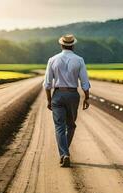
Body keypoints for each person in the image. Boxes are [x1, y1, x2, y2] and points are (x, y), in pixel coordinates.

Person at [43, 34, 91, 167]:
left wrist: (49, 99)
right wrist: (86, 97)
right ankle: (65, 153)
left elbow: (47, 83)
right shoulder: (79, 60)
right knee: (71, 125)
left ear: (61, 44)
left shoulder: (52, 60)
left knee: (59, 126)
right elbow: (85, 82)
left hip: (57, 94)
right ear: (73, 45)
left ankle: (64, 154)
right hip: (72, 95)